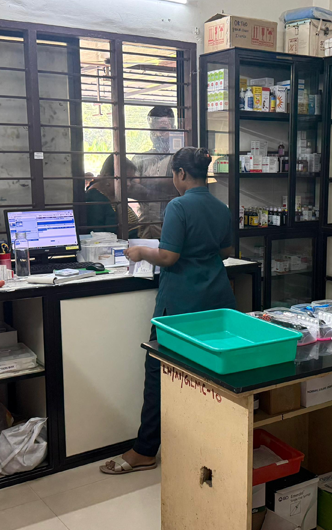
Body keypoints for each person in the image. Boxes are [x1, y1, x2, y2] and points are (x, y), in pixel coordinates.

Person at [100, 147, 236, 475]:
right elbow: (226, 251)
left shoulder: (179, 205)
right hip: (217, 301)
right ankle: (206, 446)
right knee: (207, 376)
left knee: (157, 374)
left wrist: (141, 251)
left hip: (179, 306)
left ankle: (145, 451)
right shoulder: (221, 207)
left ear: (180, 174)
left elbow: (168, 257)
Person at [129, 106, 181, 239]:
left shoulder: (180, 158)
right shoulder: (140, 158)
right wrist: (158, 188)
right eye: (153, 130)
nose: (157, 134)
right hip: (145, 228)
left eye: (163, 129)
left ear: (173, 128)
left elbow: (178, 185)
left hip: (172, 227)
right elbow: (130, 186)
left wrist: (145, 183)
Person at [75, 155, 140, 238]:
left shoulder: (114, 195)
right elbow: (98, 235)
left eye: (130, 180)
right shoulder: (95, 199)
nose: (128, 184)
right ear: (108, 176)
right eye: (124, 179)